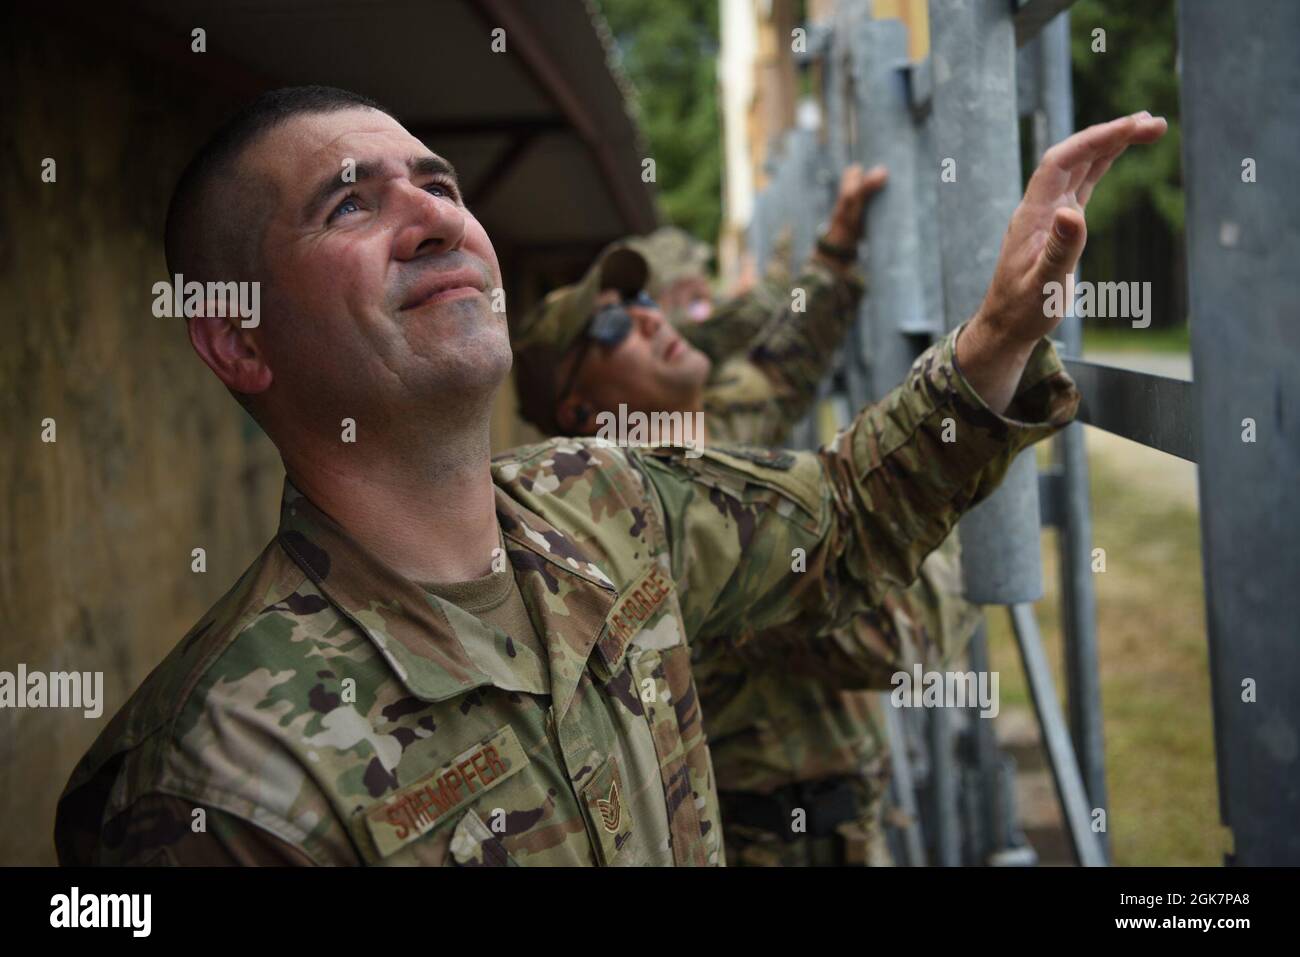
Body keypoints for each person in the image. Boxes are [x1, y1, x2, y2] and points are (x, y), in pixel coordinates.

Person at [54, 83, 1162, 865]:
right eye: (351, 203)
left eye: (436, 184)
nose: (433, 215)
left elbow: (836, 524)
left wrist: (1000, 332)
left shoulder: (609, 498)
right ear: (237, 338)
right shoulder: (215, 779)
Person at [511, 164, 983, 865]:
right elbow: (898, 640)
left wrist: (836, 246)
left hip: (840, 824)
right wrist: (948, 484)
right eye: (610, 324)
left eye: (638, 299)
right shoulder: (649, 533)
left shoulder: (708, 423)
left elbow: (784, 359)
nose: (647, 315)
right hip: (779, 843)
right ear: (582, 413)